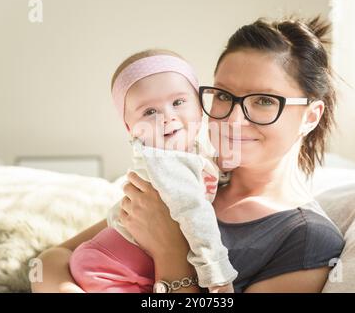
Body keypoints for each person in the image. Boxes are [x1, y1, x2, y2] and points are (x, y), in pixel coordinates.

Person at [31, 16, 345, 293]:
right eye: (223, 95)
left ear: (310, 116)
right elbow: (53, 260)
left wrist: (169, 250)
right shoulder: (189, 178)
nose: (234, 120)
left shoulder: (305, 239)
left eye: (263, 101)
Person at [68, 49, 237, 293]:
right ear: (131, 128)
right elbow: (196, 216)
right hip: (112, 268)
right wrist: (218, 277)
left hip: (123, 262)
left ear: (200, 108)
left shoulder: (193, 152)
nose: (167, 117)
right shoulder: (164, 161)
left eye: (178, 102)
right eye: (149, 112)